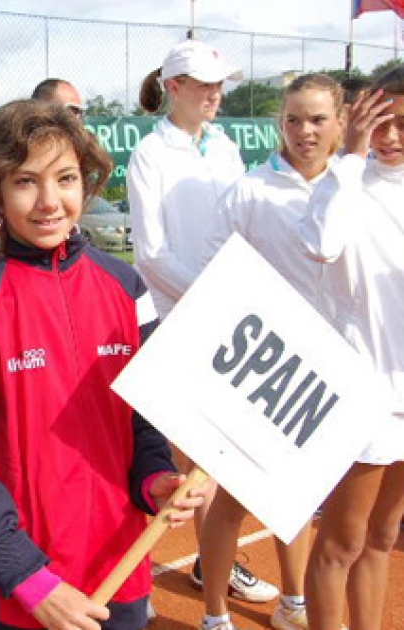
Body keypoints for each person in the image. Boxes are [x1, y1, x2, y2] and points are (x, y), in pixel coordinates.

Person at [0, 98, 205, 630]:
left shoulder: (126, 289)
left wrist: (155, 477)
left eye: (65, 178)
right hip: (16, 595)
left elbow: (141, 423)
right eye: (26, 181)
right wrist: (30, 580)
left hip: (119, 577)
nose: (50, 201)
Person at [127, 37, 280, 612]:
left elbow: (243, 228)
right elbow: (152, 254)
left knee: (227, 460)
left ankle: (212, 565)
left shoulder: (227, 148)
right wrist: (213, 299)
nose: (216, 94)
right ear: (174, 88)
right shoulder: (149, 154)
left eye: (219, 84)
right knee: (200, 464)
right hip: (184, 320)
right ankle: (206, 576)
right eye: (203, 84)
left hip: (232, 318)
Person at [201, 73, 348, 630]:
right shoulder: (248, 191)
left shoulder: (355, 186)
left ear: (340, 122)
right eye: (292, 119)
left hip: (329, 377)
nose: (303, 130)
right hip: (262, 367)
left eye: (316, 119)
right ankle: (215, 616)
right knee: (233, 501)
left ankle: (294, 604)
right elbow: (214, 270)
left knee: (300, 497)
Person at [298, 68, 404, 630]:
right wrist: (354, 156)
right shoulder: (345, 182)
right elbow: (320, 245)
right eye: (379, 121)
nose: (390, 136)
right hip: (362, 391)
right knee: (342, 540)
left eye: (402, 124)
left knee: (383, 537)